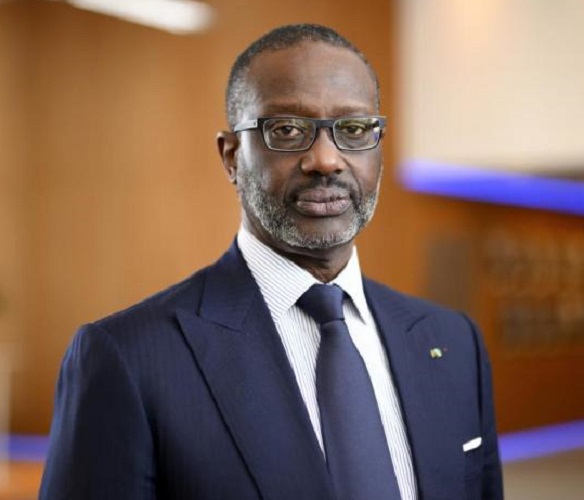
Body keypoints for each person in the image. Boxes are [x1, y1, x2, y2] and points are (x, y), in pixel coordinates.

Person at [39, 23, 503, 500]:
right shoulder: (129, 357)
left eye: (353, 129)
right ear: (231, 157)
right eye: (286, 130)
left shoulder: (453, 342)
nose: (326, 160)